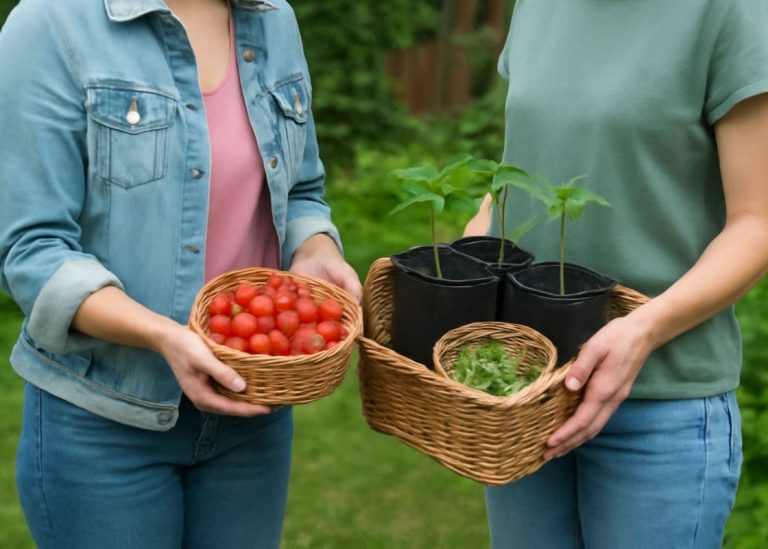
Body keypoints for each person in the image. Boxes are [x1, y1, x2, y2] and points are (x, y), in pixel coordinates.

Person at [0, 0, 361, 547]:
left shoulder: (272, 17)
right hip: (105, 426)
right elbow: (32, 248)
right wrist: (164, 336)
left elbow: (302, 190)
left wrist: (312, 250)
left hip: (251, 415)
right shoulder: (50, 22)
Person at [464, 1, 768, 547]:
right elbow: (526, 161)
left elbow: (758, 222)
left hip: (659, 405)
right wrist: (475, 246)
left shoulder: (733, 11)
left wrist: (642, 329)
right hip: (526, 388)